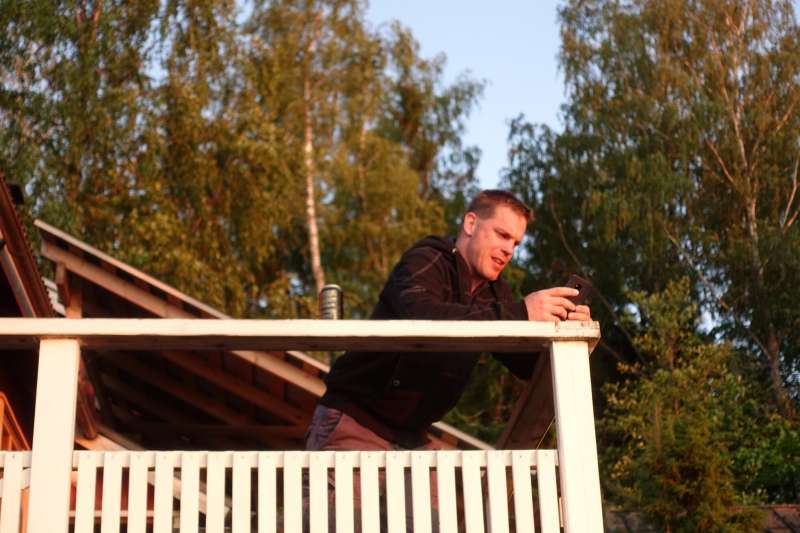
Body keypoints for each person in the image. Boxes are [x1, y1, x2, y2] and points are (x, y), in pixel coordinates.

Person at [306, 189, 592, 452]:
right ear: (471, 224)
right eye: (502, 235)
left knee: (445, 495)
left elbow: (525, 364)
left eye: (516, 243)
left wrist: (564, 332)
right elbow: (421, 316)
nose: (509, 250)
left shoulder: (496, 293)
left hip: (411, 438)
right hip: (356, 421)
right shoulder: (426, 259)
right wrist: (522, 313)